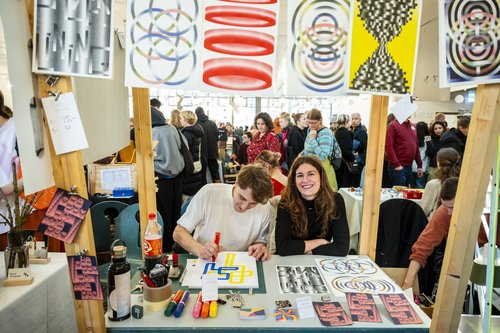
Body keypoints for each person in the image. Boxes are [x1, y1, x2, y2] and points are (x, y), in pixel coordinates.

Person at [173, 165, 274, 260]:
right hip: (205, 260)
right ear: (236, 182)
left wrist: (259, 247)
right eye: (242, 198)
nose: (244, 207)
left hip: (241, 262)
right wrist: (200, 249)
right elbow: (179, 233)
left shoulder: (264, 207)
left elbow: (260, 241)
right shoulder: (209, 194)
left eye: (253, 203)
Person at [275, 155, 349, 256]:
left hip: (319, 261)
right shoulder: (286, 203)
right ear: (294, 180)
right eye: (300, 175)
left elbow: (342, 247)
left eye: (311, 174)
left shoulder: (336, 200)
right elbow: (283, 247)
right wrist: (320, 242)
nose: (305, 180)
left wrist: (310, 252)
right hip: (290, 262)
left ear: (321, 176)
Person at [402, 177, 459, 291]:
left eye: (452, 207)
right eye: (445, 206)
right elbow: (423, 245)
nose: (449, 212)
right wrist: (408, 282)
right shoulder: (444, 212)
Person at [152, 116, 186, 251]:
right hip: (177, 178)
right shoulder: (173, 129)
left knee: (162, 217)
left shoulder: (152, 132)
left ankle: (165, 248)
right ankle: (174, 246)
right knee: (175, 214)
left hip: (159, 179)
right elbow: (184, 148)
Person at [301, 109, 338, 191]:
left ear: (320, 120)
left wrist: (313, 139)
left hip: (323, 170)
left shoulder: (325, 133)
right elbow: (307, 148)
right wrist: (300, 155)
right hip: (311, 168)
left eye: (313, 123)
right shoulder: (310, 130)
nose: (311, 125)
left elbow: (323, 156)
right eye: (309, 122)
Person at [419, 148, 461, 219]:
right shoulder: (464, 184)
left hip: (436, 225)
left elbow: (423, 211)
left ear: (438, 163)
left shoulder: (433, 184)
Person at [385, 116, 423, 187]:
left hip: (409, 166)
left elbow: (416, 146)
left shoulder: (413, 126)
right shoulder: (392, 125)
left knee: (405, 192)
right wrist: (397, 165)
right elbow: (388, 146)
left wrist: (419, 165)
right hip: (397, 167)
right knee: (399, 193)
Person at [179, 110, 204, 198]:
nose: (180, 120)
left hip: (189, 167)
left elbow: (185, 153)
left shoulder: (186, 134)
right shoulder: (197, 132)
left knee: (187, 196)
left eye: (181, 118)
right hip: (197, 164)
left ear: (186, 119)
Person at [195, 107, 220, 183]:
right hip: (213, 152)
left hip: (201, 153)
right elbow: (217, 137)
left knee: (202, 175)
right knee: (215, 173)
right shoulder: (212, 123)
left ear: (196, 114)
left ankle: (204, 192)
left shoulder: (196, 124)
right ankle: (219, 190)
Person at [335, 114, 356, 188]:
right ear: (346, 122)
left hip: (339, 162)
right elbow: (345, 150)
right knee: (345, 184)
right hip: (345, 164)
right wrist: (353, 157)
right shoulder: (345, 132)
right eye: (349, 121)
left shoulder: (337, 131)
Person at [350, 112, 367, 187]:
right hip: (355, 159)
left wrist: (352, 145)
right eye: (352, 119)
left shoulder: (361, 131)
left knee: (356, 181)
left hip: (359, 160)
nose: (354, 120)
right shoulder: (353, 130)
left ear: (360, 120)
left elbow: (363, 145)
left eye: (356, 119)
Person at [411, 122, 429, 189]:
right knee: (419, 188)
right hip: (423, 167)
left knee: (411, 188)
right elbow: (431, 151)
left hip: (412, 166)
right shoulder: (427, 139)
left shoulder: (412, 138)